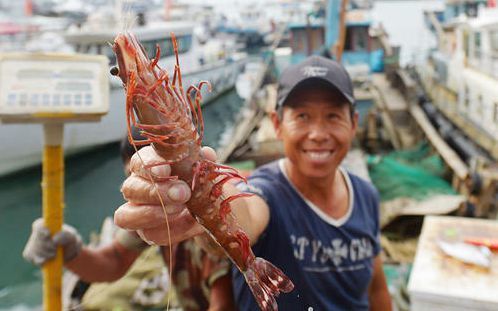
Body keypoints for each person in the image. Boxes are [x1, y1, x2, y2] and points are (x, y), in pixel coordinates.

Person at [114, 55, 392, 310]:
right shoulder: (266, 189)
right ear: (278, 124)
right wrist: (185, 183)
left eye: (333, 116)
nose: (318, 134)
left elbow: (377, 290)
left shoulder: (366, 194)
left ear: (354, 123)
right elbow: (245, 214)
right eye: (303, 116)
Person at [23, 128, 235, 311]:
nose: (148, 185)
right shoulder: (155, 213)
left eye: (152, 173)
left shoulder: (212, 211)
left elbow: (224, 304)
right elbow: (114, 261)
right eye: (135, 176)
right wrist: (70, 252)